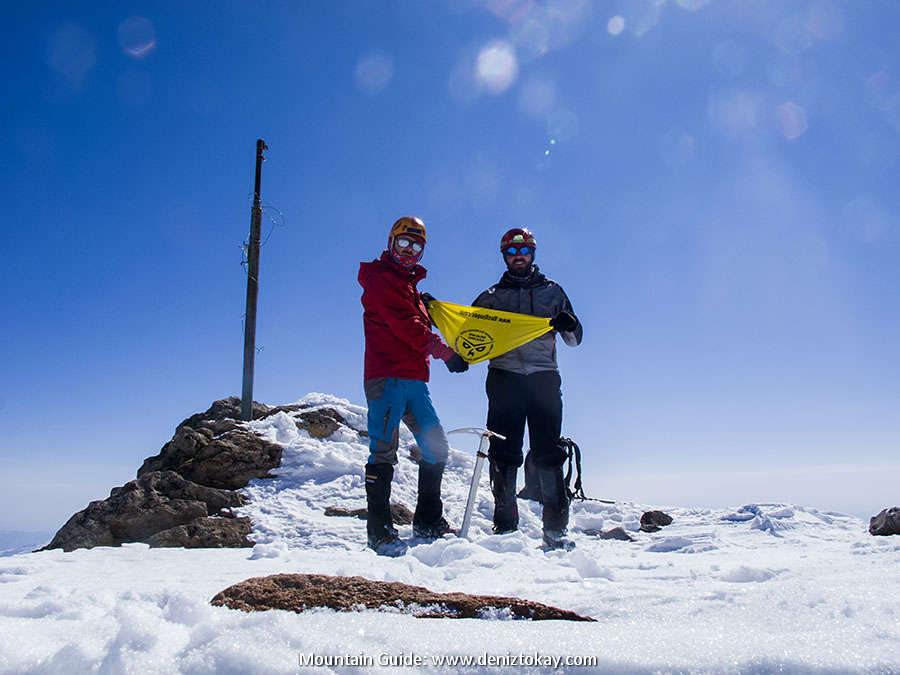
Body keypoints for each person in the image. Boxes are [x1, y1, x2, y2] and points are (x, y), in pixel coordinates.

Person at [358, 216, 469, 556]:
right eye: (403, 243)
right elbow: (405, 326)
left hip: (415, 382)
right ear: (391, 242)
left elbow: (413, 316)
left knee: (436, 448)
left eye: (417, 246)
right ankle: (379, 531)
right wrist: (445, 353)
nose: (409, 251)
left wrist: (428, 306)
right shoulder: (380, 280)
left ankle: (427, 521)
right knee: (383, 451)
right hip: (387, 378)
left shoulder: (409, 287)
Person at [472, 227, 582, 550]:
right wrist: (454, 347)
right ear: (504, 257)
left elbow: (575, 340)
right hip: (504, 378)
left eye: (523, 250)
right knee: (503, 454)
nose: (517, 256)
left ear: (532, 254)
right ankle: (505, 529)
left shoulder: (553, 292)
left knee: (548, 453)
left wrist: (570, 323)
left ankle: (556, 531)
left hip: (543, 379)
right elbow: (468, 333)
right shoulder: (491, 297)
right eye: (511, 252)